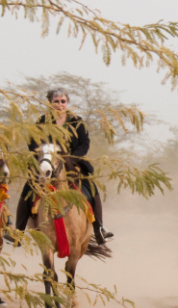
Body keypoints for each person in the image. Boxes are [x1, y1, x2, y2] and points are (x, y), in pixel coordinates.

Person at [11, 87, 114, 244]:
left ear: (67, 103)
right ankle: (18, 232)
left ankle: (99, 228)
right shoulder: (41, 122)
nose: (60, 104)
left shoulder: (77, 122)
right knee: (29, 188)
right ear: (50, 103)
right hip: (46, 164)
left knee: (91, 188)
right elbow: (32, 143)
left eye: (63, 101)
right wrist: (43, 155)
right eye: (56, 101)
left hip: (72, 165)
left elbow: (84, 144)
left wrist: (72, 158)